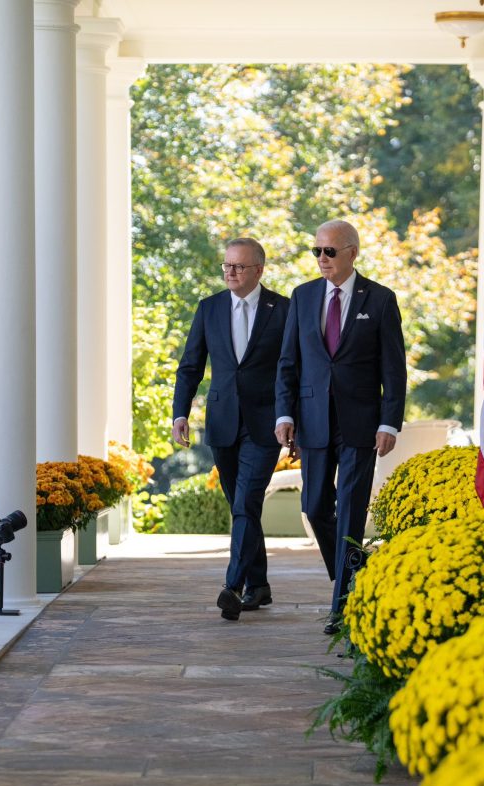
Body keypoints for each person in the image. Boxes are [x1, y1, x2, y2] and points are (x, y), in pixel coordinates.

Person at [275, 220, 406, 634]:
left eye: (329, 252)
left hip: (361, 424)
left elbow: (394, 368)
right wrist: (285, 414)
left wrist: (389, 421)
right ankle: (356, 573)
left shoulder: (381, 300)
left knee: (350, 510)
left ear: (352, 252)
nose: (321, 259)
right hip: (312, 422)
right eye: (316, 251)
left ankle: (344, 604)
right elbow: (288, 364)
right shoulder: (303, 296)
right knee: (314, 506)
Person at [172, 238, 290, 621]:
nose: (230, 272)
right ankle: (260, 585)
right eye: (226, 266)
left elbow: (295, 369)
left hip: (266, 425)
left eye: (239, 266)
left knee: (245, 504)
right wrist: (180, 412)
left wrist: (294, 423)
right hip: (222, 424)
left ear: (259, 269)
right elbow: (190, 365)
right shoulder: (209, 308)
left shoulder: (284, 310)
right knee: (242, 508)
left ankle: (232, 587)